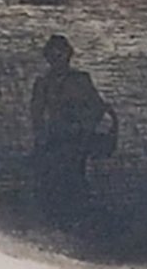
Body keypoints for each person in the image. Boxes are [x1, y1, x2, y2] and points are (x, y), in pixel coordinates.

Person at [29, 35, 117, 226]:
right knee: (56, 177)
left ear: (68, 55)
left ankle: (77, 211)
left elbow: (97, 106)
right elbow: (37, 115)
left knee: (75, 174)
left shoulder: (80, 79)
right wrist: (41, 137)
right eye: (54, 56)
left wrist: (88, 125)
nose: (58, 60)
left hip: (78, 136)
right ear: (48, 58)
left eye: (61, 55)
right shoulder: (43, 83)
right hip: (56, 137)